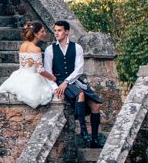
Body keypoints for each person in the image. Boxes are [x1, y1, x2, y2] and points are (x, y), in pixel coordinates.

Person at [43, 19, 104, 148]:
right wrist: (56, 88)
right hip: (59, 81)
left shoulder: (77, 47)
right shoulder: (50, 50)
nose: (56, 33)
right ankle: (83, 131)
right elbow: (48, 72)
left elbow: (79, 69)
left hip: (74, 80)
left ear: (67, 32)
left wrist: (67, 81)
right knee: (80, 94)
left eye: (59, 30)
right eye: (55, 30)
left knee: (96, 105)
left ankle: (94, 140)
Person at [0, 21, 56, 108]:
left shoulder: (23, 45)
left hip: (20, 76)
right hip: (32, 79)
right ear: (35, 34)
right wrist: (52, 77)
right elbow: (40, 71)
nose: (44, 33)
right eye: (42, 31)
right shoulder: (36, 49)